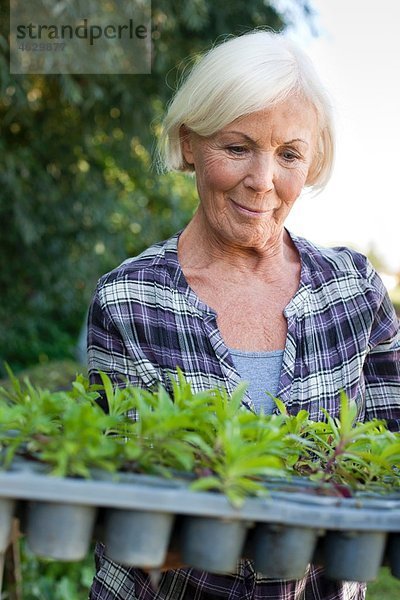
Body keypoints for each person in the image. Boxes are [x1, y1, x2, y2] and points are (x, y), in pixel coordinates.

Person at [87, 30, 400, 600]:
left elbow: (391, 462)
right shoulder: (130, 299)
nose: (263, 181)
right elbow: (123, 504)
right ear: (189, 144)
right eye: (237, 148)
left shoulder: (354, 292)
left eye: (289, 154)